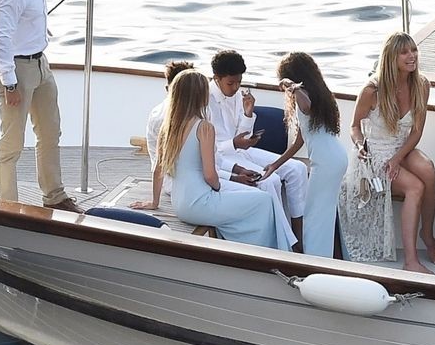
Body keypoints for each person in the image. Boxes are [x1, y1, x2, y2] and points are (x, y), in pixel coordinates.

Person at [0, 0, 79, 211]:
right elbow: (0, 39)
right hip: (16, 70)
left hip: (39, 63)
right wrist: (10, 84)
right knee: (12, 142)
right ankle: (8, 206)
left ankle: (55, 197)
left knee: (50, 132)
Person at [147, 70, 291, 250]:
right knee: (264, 201)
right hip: (200, 202)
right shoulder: (204, 127)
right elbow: (210, 175)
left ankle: (243, 249)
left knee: (253, 200)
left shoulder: (167, 128)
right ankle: (267, 254)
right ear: (200, 96)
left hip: (180, 204)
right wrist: (217, 188)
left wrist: (154, 202)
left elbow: (158, 169)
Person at [342, 33, 435, 272]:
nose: (412, 56)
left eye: (414, 50)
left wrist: (398, 158)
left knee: (428, 171)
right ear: (391, 57)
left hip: (402, 149)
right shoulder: (372, 90)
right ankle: (411, 261)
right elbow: (354, 126)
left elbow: (416, 131)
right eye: (404, 52)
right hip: (375, 153)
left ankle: (427, 234)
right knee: (415, 187)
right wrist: (360, 146)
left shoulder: (421, 85)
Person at [208, 49, 309, 250]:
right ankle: (285, 244)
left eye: (239, 82)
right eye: (231, 83)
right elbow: (211, 148)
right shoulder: (205, 99)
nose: (236, 87)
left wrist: (248, 113)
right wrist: (235, 144)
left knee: (298, 169)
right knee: (269, 180)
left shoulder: (237, 94)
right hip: (223, 156)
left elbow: (242, 134)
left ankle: (300, 235)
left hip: (241, 151)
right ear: (217, 78)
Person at [266, 52, 349, 260]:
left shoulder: (305, 96)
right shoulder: (317, 95)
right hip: (334, 158)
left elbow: (306, 106)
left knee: (314, 214)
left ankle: (314, 260)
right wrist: (275, 165)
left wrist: (293, 87)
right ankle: (322, 257)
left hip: (327, 162)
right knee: (322, 213)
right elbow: (299, 142)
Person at [132, 60, 195, 213]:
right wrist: (155, 202)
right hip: (175, 182)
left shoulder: (193, 113)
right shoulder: (162, 118)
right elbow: (162, 164)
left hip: (192, 176)